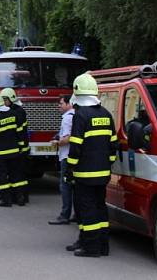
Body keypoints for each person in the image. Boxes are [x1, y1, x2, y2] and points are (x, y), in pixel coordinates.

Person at [65, 73, 118, 257]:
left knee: (86, 210)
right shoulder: (106, 114)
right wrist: (107, 164)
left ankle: (91, 248)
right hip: (103, 174)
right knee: (100, 209)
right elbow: (113, 145)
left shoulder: (80, 116)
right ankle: (103, 246)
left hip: (84, 175)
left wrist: (69, 169)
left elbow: (76, 146)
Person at [0, 92, 24, 207]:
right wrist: (21, 146)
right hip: (15, 151)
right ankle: (20, 198)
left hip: (0, 154)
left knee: (2, 176)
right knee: (16, 175)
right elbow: (20, 132)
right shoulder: (14, 114)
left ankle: (7, 200)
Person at [48, 95, 75, 225]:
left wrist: (57, 142)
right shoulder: (75, 116)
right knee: (74, 186)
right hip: (74, 156)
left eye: (61, 103)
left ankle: (65, 215)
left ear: (69, 104)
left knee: (65, 186)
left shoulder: (67, 119)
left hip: (66, 156)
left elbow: (68, 138)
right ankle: (76, 214)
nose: (59, 105)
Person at [2, 87, 30, 204]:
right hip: (16, 147)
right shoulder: (14, 110)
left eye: (5, 99)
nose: (4, 102)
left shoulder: (17, 112)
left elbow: (21, 132)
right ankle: (17, 196)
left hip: (20, 148)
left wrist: (21, 147)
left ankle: (21, 197)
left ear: (11, 99)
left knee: (19, 173)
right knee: (14, 173)